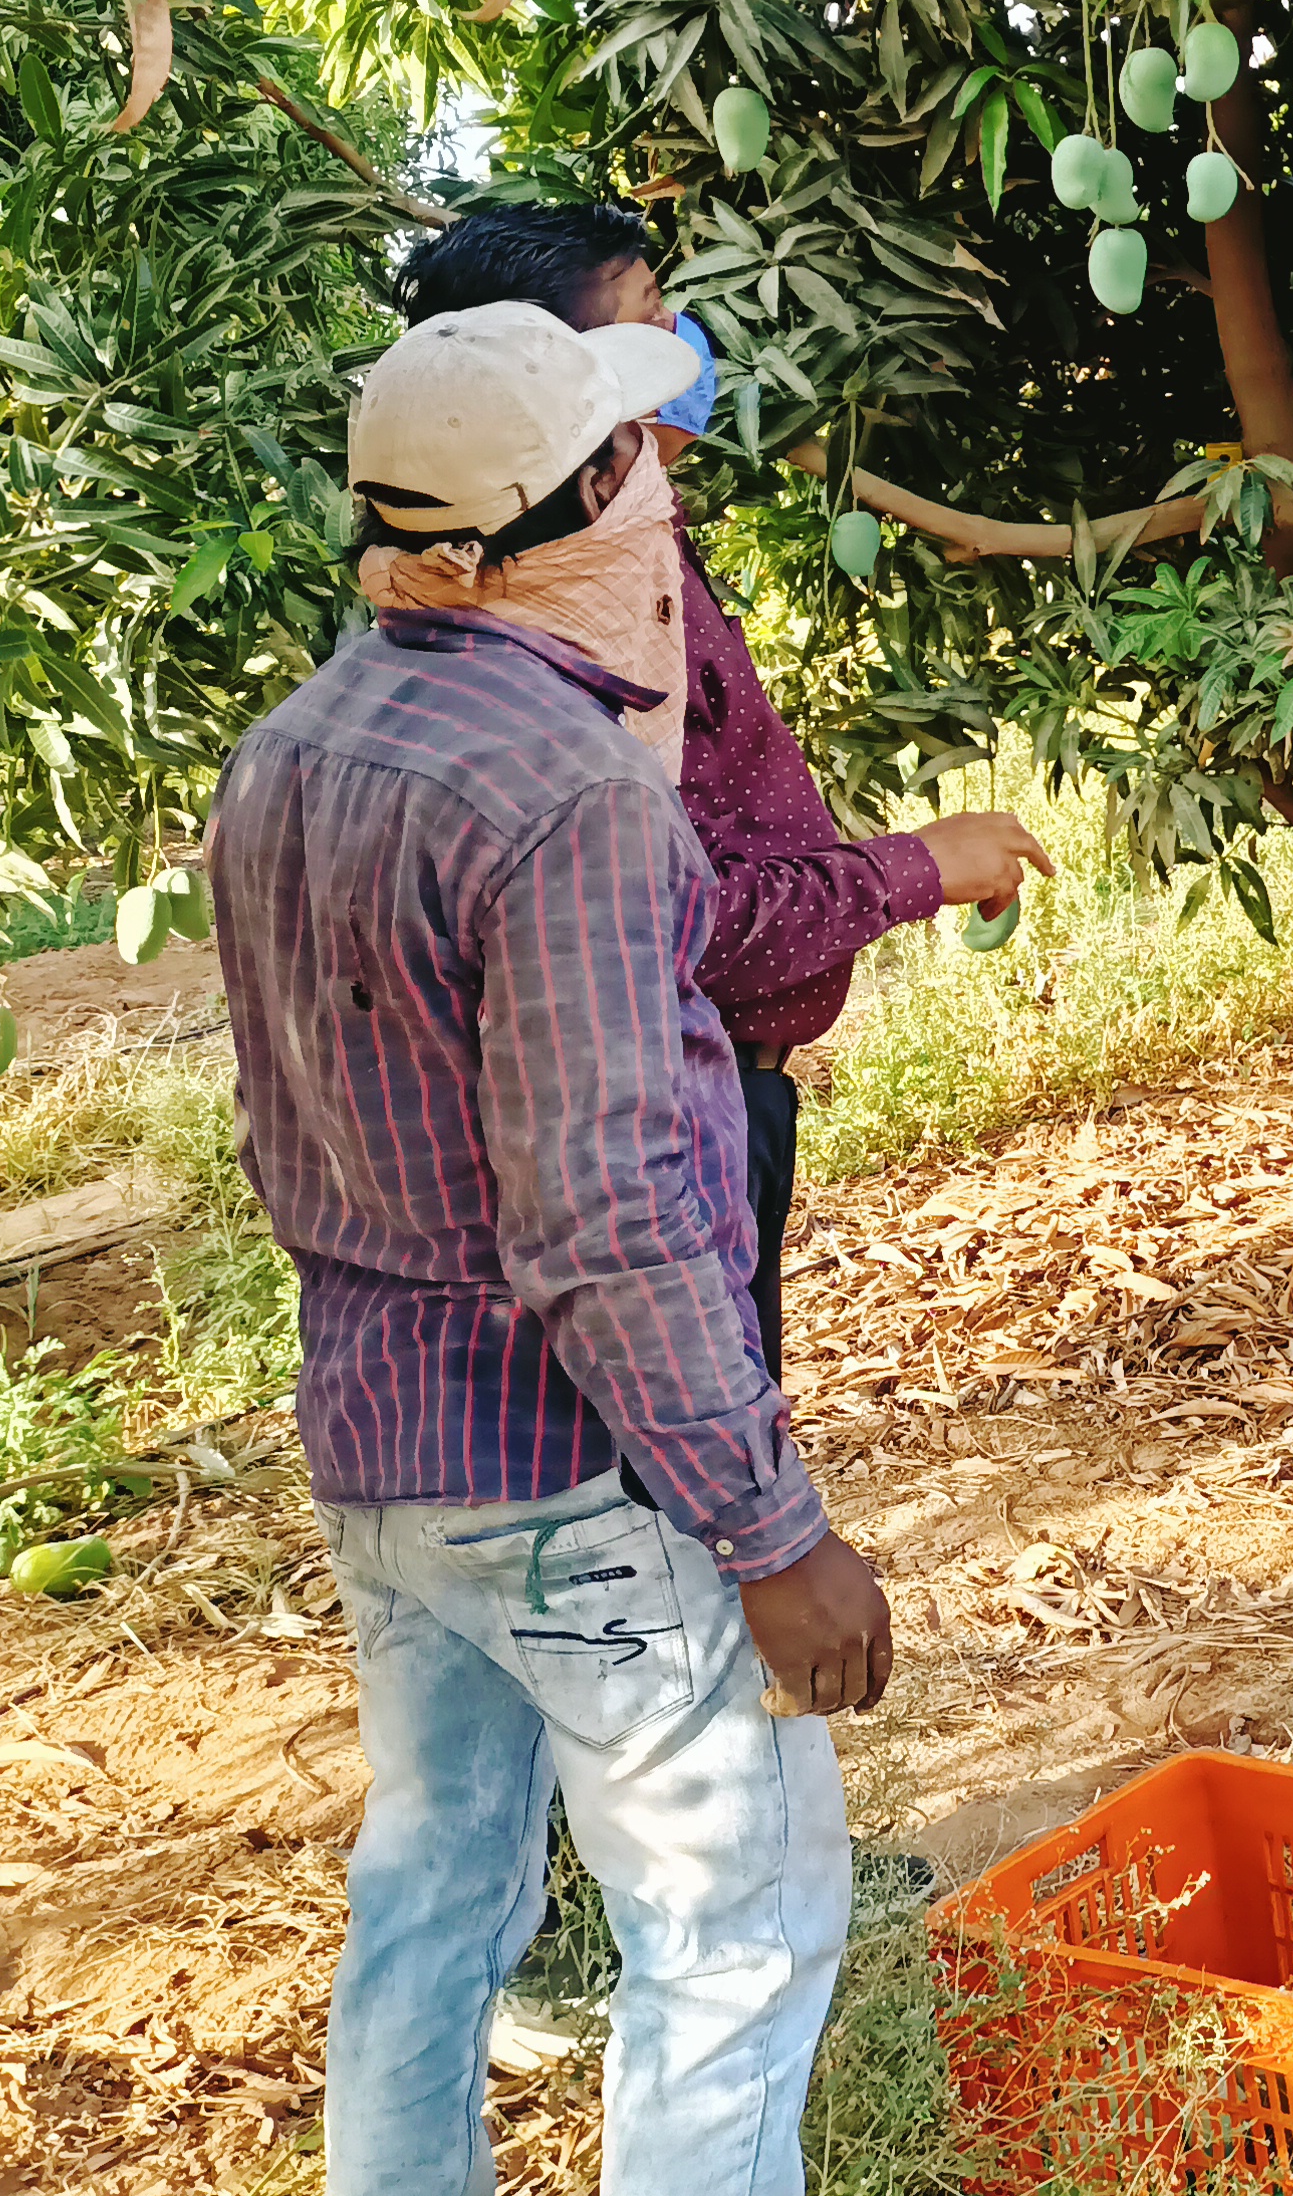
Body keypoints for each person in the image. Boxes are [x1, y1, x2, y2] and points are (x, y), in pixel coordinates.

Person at [212, 302, 894, 2194]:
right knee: (731, 1936)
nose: (667, 493)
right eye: (635, 462)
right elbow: (606, 1214)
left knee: (434, 1886)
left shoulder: (291, 749)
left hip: (379, 1448)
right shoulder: (569, 796)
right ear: (566, 516)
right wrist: (773, 1535)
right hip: (570, 1471)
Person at [393, 202, 1048, 1382]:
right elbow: (675, 932)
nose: (689, 345)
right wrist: (917, 870)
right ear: (564, 394)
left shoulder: (612, 568)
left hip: (692, 1113)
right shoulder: (577, 627)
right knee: (696, 1517)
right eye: (654, 320)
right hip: (665, 1134)